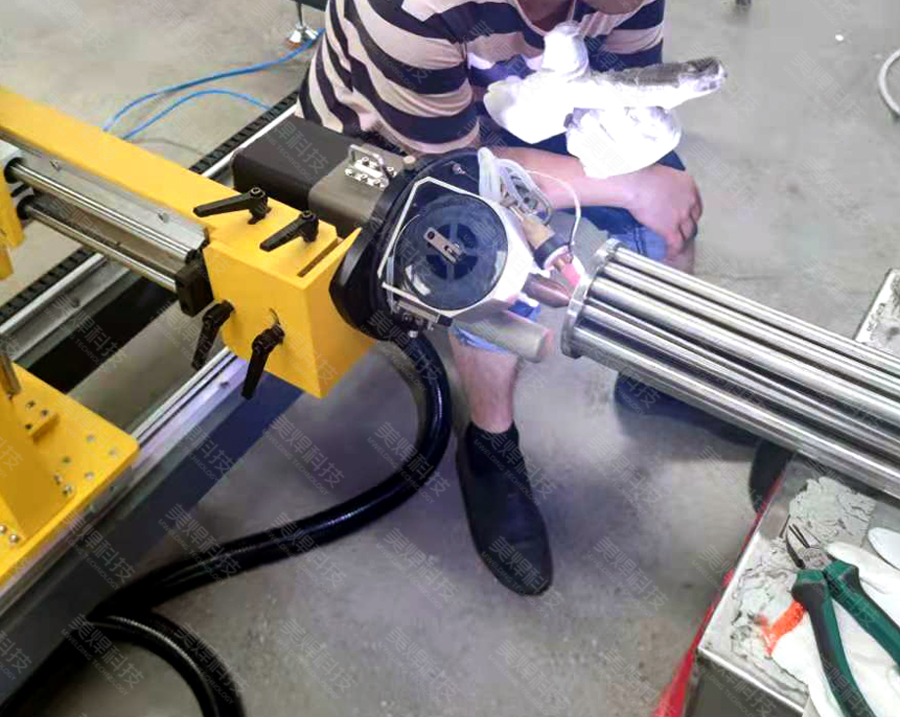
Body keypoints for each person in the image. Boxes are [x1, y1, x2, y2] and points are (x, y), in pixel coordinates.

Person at [298, 0, 703, 595]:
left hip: (534, 97)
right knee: (483, 257)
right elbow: (453, 176)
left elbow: (626, 95)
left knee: (675, 207)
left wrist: (649, 181)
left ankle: (650, 375)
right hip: (388, 148)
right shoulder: (411, 11)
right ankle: (490, 445)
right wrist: (630, 186)